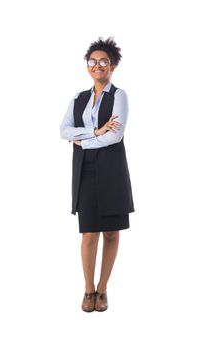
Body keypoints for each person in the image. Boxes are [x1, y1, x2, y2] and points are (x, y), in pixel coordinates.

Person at [60, 36, 135, 312]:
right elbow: (63, 130)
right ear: (87, 66)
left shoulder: (119, 96)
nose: (98, 65)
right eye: (93, 61)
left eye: (104, 61)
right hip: (85, 169)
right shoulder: (78, 98)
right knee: (89, 233)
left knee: (112, 233)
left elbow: (115, 137)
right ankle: (88, 289)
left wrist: (83, 140)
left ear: (112, 65)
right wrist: (95, 131)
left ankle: (103, 289)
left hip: (112, 168)